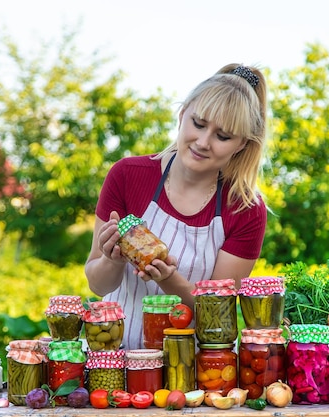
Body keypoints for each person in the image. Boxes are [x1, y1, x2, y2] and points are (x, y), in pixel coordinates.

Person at [85, 63, 269, 350]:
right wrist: (112, 260)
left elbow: (216, 311)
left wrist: (170, 279)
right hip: (118, 360)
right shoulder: (127, 175)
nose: (203, 142)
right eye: (198, 123)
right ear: (182, 115)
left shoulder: (245, 208)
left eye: (222, 137)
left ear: (242, 145)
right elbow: (98, 285)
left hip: (198, 369)